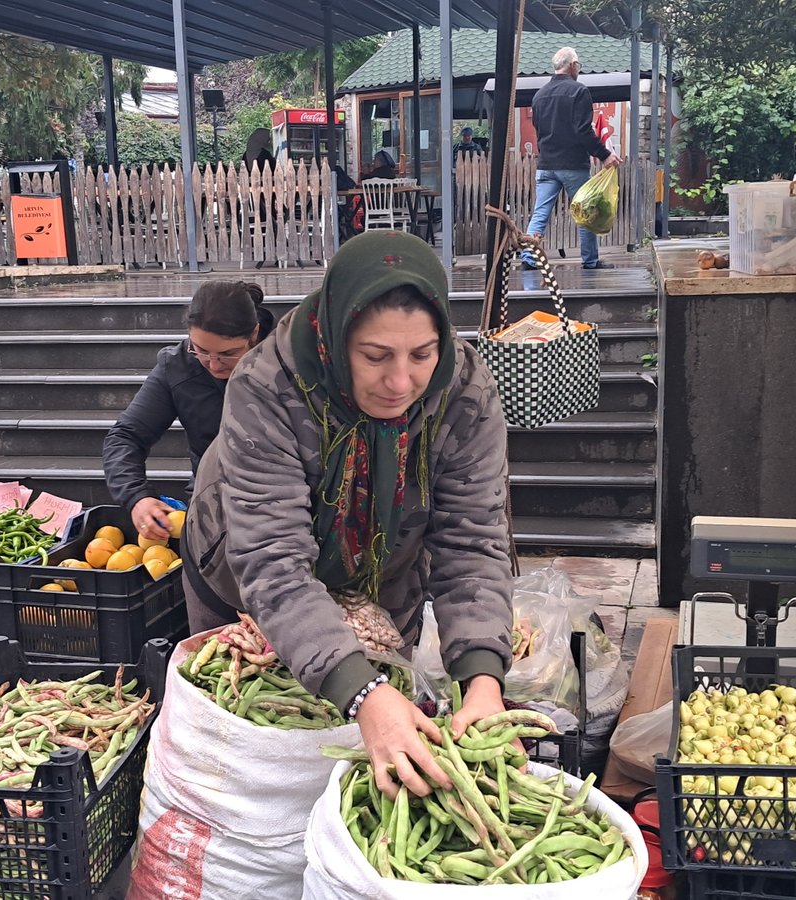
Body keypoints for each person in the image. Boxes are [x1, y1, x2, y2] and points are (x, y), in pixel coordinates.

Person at [181, 230, 515, 798]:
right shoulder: (267, 385)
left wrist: (483, 677)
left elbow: (474, 537)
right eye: (375, 356)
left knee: (384, 752)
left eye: (422, 355)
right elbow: (273, 560)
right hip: (240, 569)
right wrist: (360, 691)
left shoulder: (464, 390)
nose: (400, 382)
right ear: (337, 337)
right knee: (255, 745)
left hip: (388, 568)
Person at [102, 281, 275, 541]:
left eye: (228, 354)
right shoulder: (178, 365)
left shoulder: (284, 362)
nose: (214, 366)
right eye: (202, 351)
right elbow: (125, 437)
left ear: (255, 333)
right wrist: (136, 497)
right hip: (212, 506)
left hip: (281, 505)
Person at [524, 46, 622, 271]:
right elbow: (583, 131)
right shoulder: (579, 91)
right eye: (578, 65)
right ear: (572, 66)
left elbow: (538, 128)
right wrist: (605, 155)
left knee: (540, 212)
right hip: (572, 165)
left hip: (546, 164)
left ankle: (529, 257)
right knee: (585, 210)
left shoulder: (539, 95)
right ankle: (589, 261)